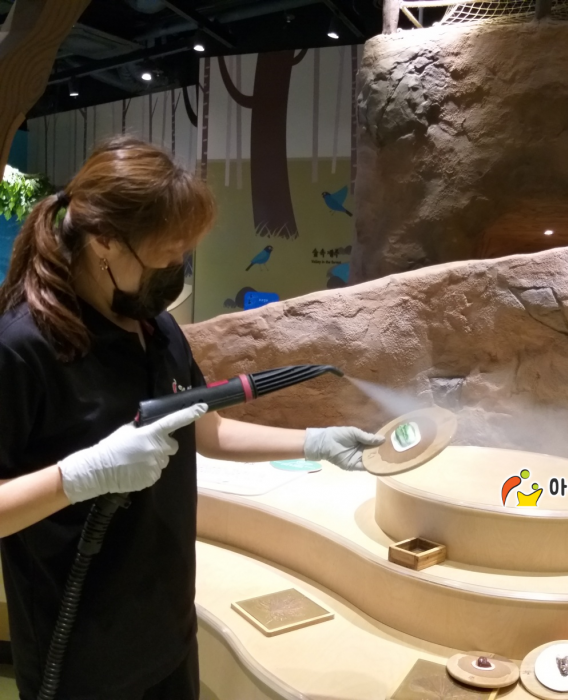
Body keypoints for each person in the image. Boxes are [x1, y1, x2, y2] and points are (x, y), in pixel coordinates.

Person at [0, 136, 383, 700]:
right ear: (104, 241)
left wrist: (313, 442)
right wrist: (78, 476)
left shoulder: (156, 329)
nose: (174, 269)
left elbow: (208, 428)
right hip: (78, 652)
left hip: (167, 631)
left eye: (183, 254)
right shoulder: (23, 347)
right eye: (164, 255)